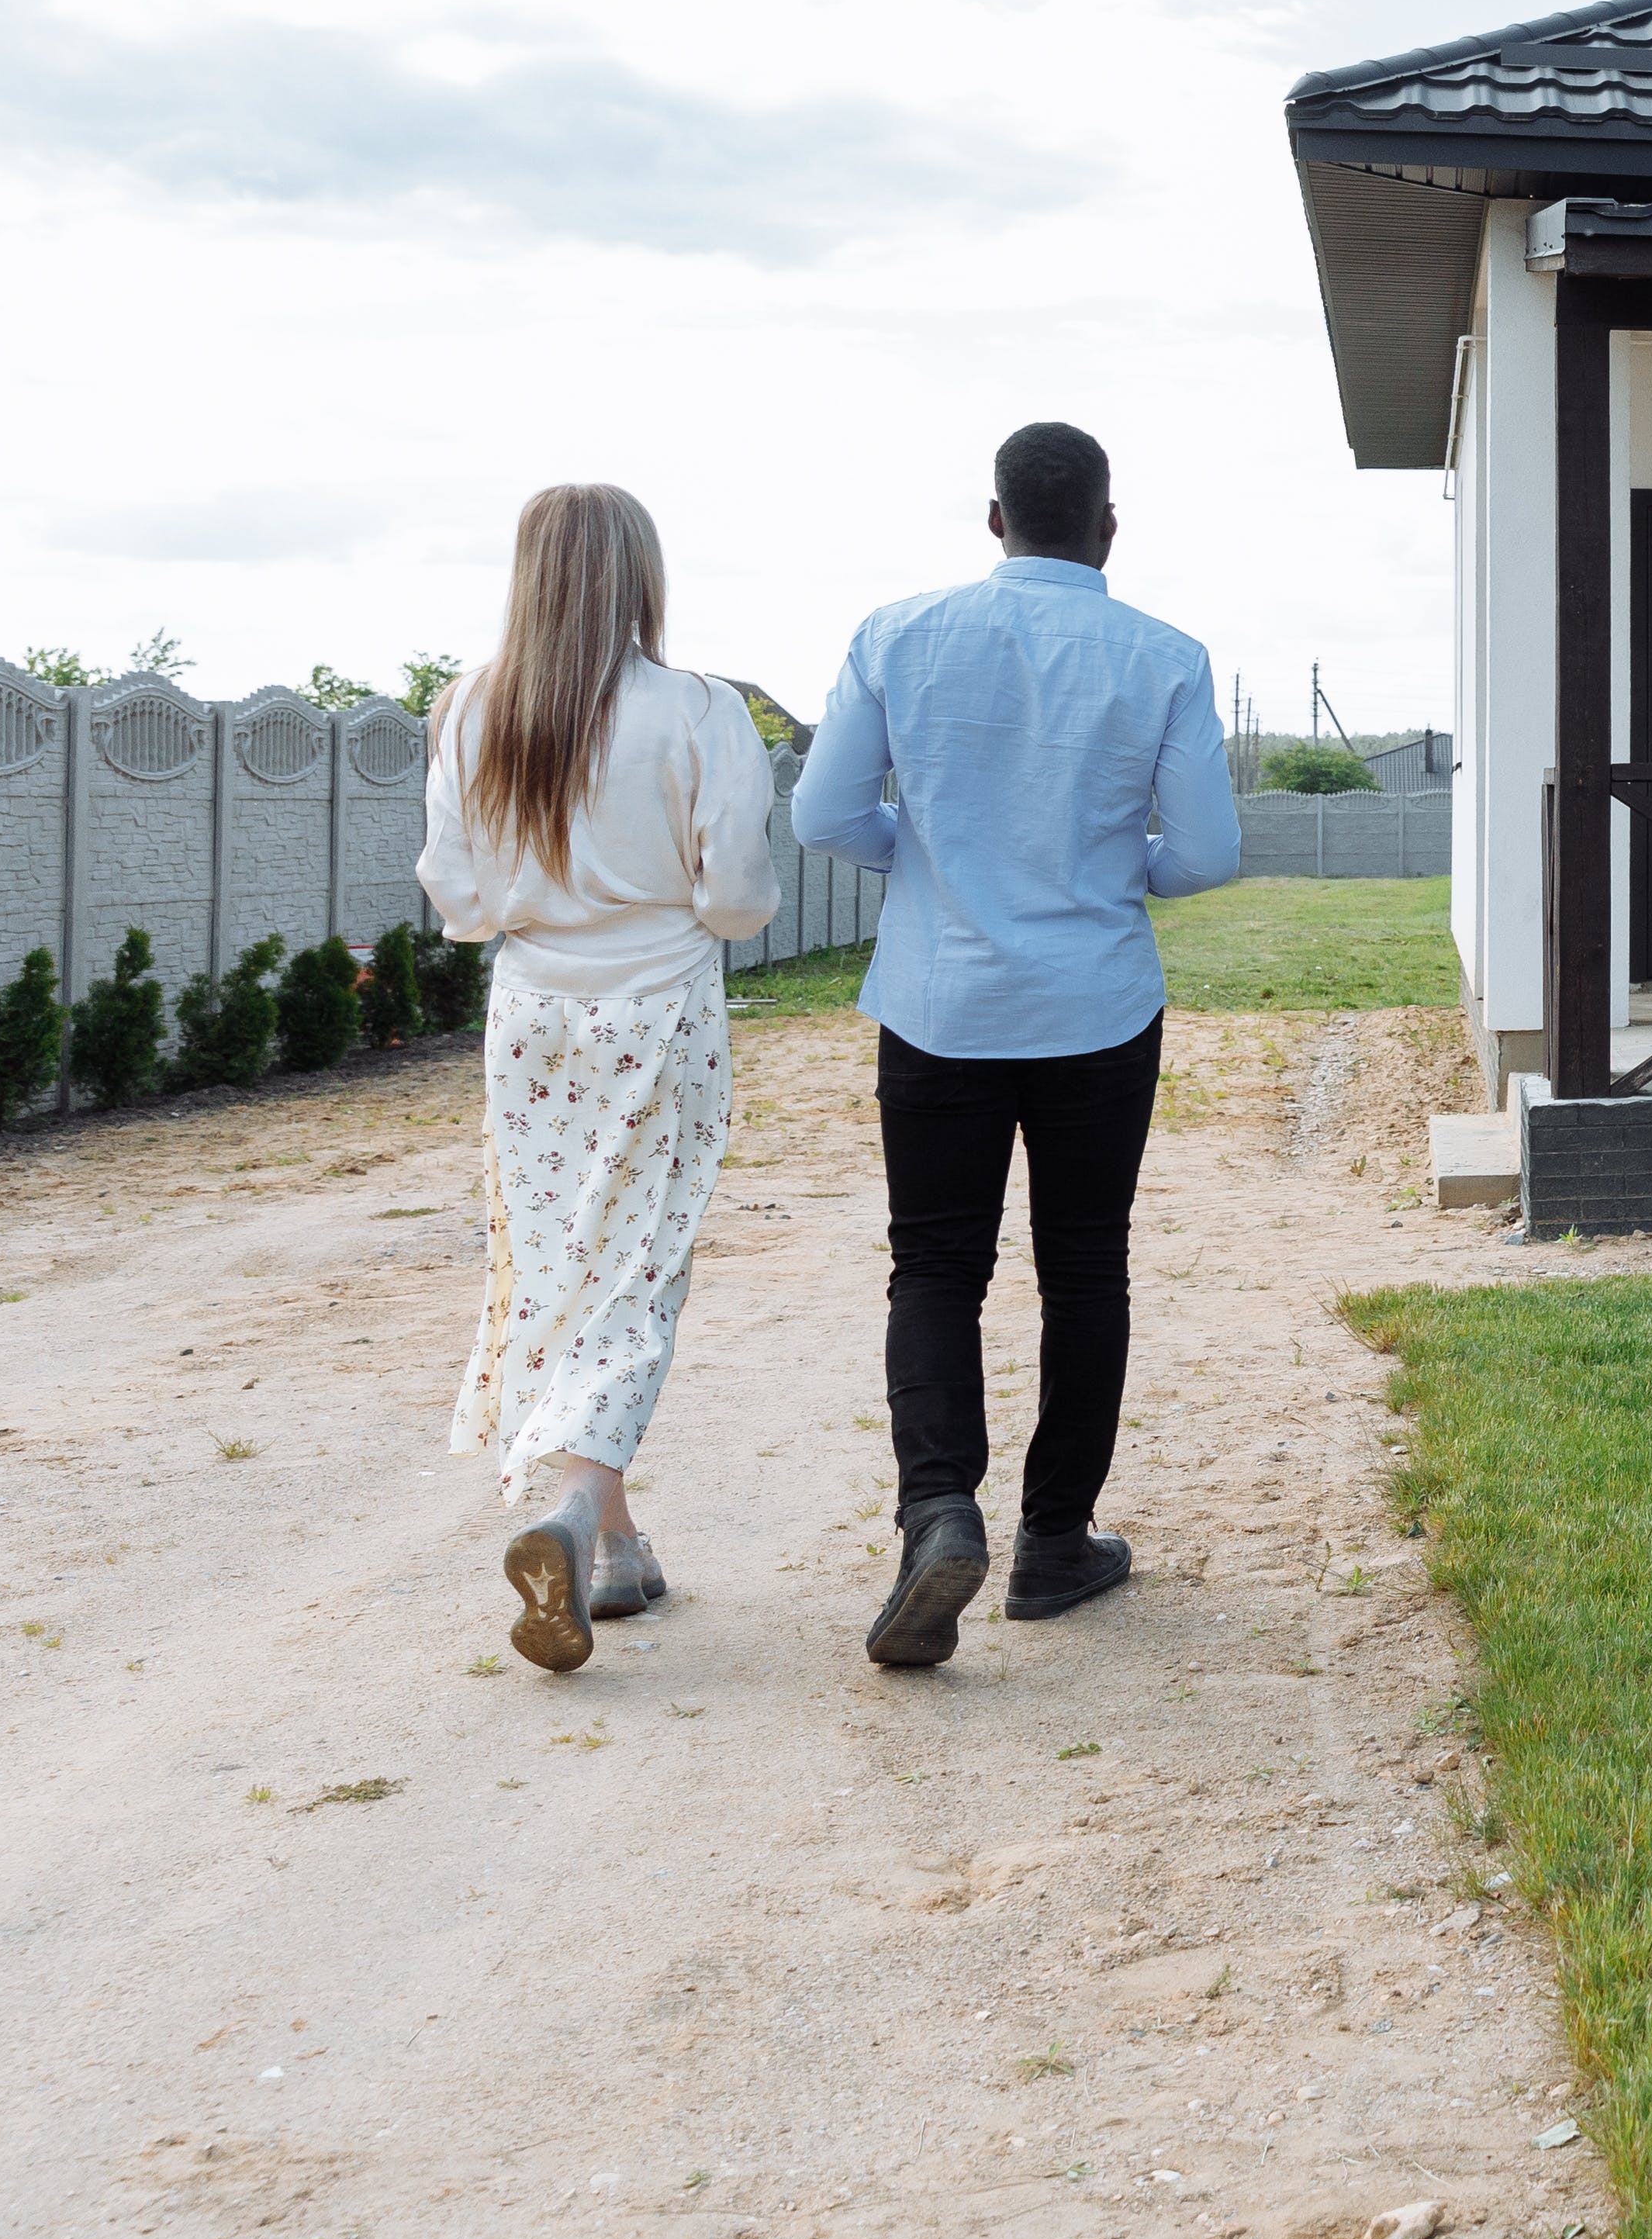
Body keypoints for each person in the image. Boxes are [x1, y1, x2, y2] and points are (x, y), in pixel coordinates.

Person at [795, 420, 1239, 1672]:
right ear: (1108, 525)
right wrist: (1113, 871)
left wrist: (928, 863)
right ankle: (1054, 1543)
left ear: (993, 519)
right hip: (1096, 1004)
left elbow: (827, 811)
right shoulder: (1165, 657)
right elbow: (1206, 852)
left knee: (934, 1267)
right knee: (1086, 1267)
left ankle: (938, 1511)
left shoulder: (896, 634)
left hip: (939, 1002)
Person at [418, 483, 779, 1676]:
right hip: (659, 1011)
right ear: (640, 574)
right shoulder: (696, 711)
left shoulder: (472, 708)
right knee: (636, 1264)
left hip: (530, 1018)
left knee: (557, 1257)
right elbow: (735, 898)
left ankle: (614, 1553)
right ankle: (575, 1510)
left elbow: (461, 905)